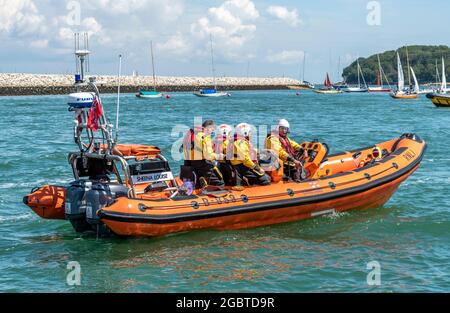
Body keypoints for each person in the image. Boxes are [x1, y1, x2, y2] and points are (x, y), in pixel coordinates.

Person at [182, 120, 225, 188]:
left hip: (189, 164)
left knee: (197, 181)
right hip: (202, 164)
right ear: (209, 128)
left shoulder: (192, 134)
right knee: (220, 182)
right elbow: (208, 156)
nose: (212, 132)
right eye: (212, 130)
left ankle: (201, 185)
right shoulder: (205, 137)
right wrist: (219, 156)